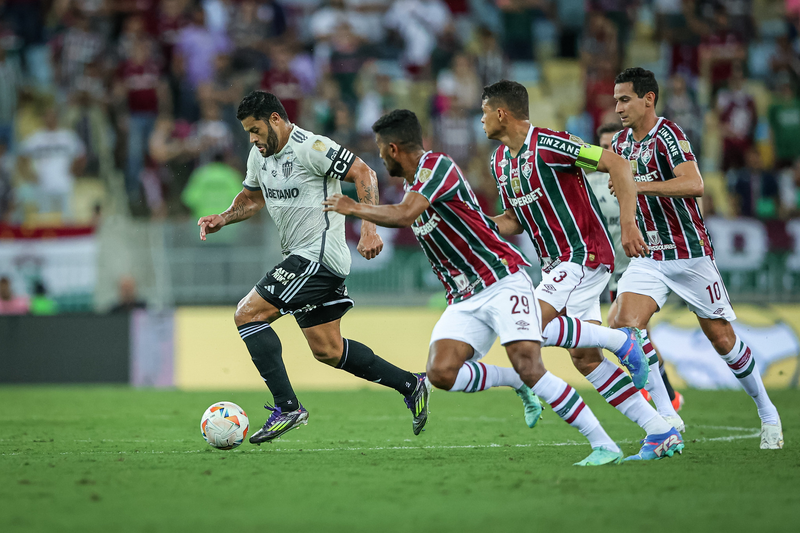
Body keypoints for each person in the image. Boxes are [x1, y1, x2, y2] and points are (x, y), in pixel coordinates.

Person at [325, 109, 626, 466]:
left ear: (392, 148)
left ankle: (604, 443)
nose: (379, 156)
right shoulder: (412, 184)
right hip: (465, 295)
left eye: (379, 148)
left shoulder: (436, 167)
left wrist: (354, 208)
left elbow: (406, 215)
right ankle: (515, 381)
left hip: (500, 280)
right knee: (440, 373)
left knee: (532, 364)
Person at [197, 91, 429, 444]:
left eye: (256, 130)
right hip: (304, 257)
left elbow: (364, 173)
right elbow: (252, 198)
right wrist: (224, 218)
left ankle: (287, 407)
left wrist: (368, 229)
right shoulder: (259, 156)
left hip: (318, 257)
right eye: (247, 133)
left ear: (276, 119)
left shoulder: (311, 147)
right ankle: (411, 384)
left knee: (248, 314)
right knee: (328, 350)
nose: (252, 139)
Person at [480, 80, 683, 462]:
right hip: (556, 265)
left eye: (485, 112)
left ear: (502, 113)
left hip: (583, 255)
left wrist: (627, 223)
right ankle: (660, 431)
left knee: (526, 326)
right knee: (585, 358)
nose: (482, 120)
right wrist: (476, 226)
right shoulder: (499, 162)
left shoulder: (551, 143)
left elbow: (617, 164)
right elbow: (513, 220)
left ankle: (621, 342)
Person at [609, 67, 782, 449]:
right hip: (650, 254)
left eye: (625, 99)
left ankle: (768, 411)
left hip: (689, 254)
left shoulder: (668, 134)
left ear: (648, 99)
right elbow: (622, 191)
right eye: (616, 99)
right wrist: (628, 219)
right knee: (626, 325)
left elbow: (695, 184)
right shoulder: (620, 145)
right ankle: (667, 415)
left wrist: (637, 185)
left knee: (722, 339)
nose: (617, 106)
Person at [587, 122, 684, 414]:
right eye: (603, 149)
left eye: (612, 148)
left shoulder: (635, 181)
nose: (608, 153)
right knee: (627, 332)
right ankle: (660, 393)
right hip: (600, 267)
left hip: (632, 266)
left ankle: (662, 396)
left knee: (636, 332)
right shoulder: (589, 183)